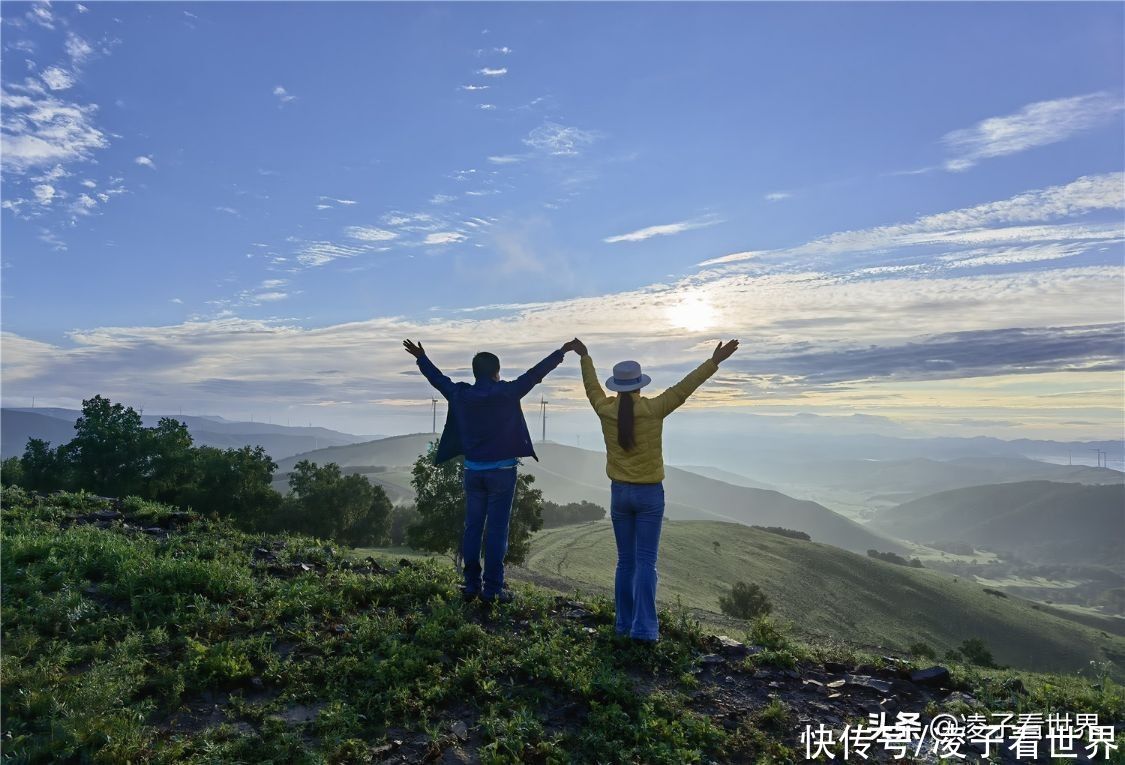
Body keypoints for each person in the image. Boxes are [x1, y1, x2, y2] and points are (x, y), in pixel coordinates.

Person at [571, 337, 739, 641]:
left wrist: (585, 357)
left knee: (625, 562)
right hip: (649, 495)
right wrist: (714, 361)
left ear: (616, 387)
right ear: (639, 386)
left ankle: (622, 626)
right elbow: (684, 387)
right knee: (646, 561)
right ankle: (645, 629)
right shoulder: (654, 409)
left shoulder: (604, 410)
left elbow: (591, 388)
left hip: (619, 494)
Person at [403, 338, 583, 604]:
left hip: (473, 471)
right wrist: (562, 352)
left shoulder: (461, 394)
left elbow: (438, 380)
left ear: (475, 373)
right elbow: (534, 375)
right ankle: (493, 589)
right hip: (502, 472)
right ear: (496, 372)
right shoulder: (507, 392)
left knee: (472, 528)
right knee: (497, 530)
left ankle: (472, 585)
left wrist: (422, 358)